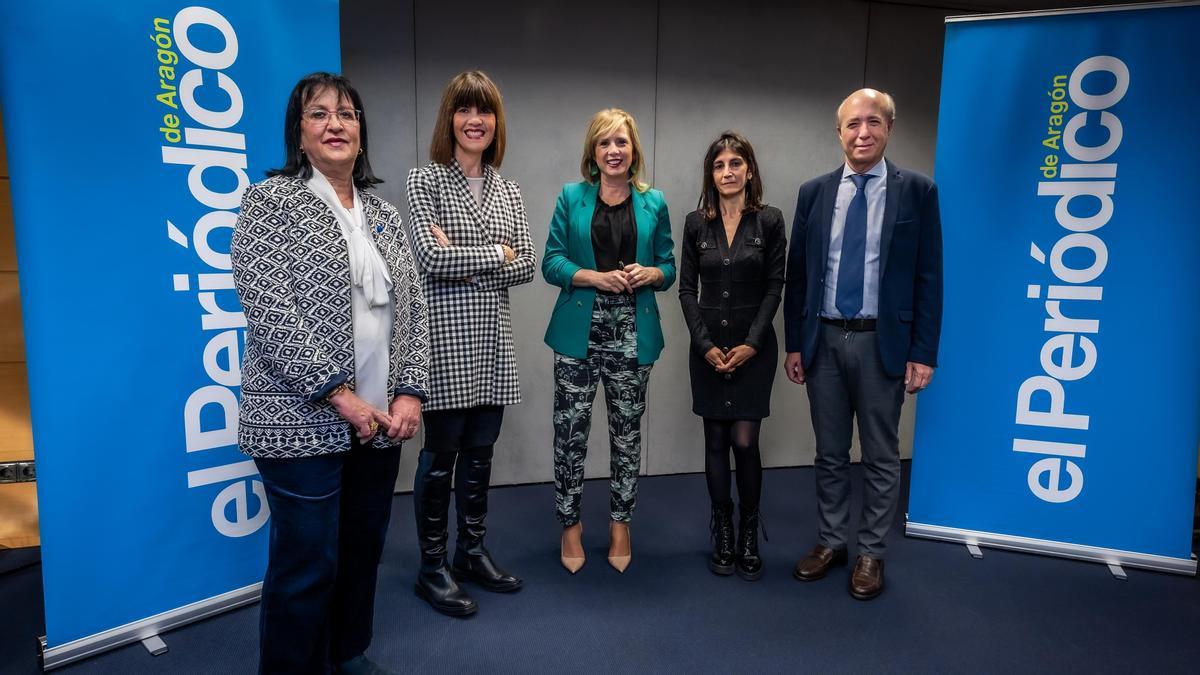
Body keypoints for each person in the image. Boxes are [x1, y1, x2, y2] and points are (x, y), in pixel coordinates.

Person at [232, 72, 427, 674]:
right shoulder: (270, 203)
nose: (335, 124)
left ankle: (346, 654)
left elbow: (413, 308)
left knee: (362, 550)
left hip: (379, 421)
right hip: (299, 417)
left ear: (362, 132)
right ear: (300, 133)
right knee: (307, 561)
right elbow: (270, 308)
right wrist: (338, 394)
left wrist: (409, 393)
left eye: (346, 114)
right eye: (319, 114)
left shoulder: (387, 216)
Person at [783, 88, 943, 600]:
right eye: (852, 124)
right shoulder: (814, 193)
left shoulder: (917, 191)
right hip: (824, 340)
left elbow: (929, 277)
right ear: (839, 132)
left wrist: (923, 351)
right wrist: (794, 344)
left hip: (883, 344)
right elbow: (799, 276)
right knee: (829, 452)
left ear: (889, 128)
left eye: (873, 123)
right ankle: (832, 541)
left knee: (879, 454)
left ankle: (871, 552)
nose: (862, 133)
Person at [405, 71, 535, 617]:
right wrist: (495, 254)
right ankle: (432, 566)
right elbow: (429, 260)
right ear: (449, 119)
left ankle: (470, 551)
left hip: (493, 344)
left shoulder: (508, 187)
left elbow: (527, 264)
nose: (475, 120)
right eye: (464, 110)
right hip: (443, 342)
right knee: (442, 457)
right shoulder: (424, 181)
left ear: (496, 122)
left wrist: (469, 251)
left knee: (480, 455)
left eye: (484, 111)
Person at [542, 108, 676, 574]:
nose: (613, 151)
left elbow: (669, 267)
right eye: (604, 143)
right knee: (570, 436)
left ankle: (621, 524)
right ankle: (570, 525)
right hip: (578, 335)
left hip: (633, 337)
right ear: (593, 152)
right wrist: (593, 277)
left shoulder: (654, 202)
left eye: (621, 142)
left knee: (626, 435)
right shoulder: (570, 197)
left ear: (633, 149)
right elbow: (551, 262)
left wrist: (653, 272)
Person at [678, 131, 786, 580]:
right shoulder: (694, 223)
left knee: (745, 441)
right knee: (716, 442)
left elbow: (775, 286)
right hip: (707, 350)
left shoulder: (771, 221)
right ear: (711, 173)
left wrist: (752, 344)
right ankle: (721, 528)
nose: (727, 172)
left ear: (749, 170)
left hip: (753, 350)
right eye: (719, 165)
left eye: (735, 164)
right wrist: (704, 346)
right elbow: (686, 289)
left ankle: (747, 530)